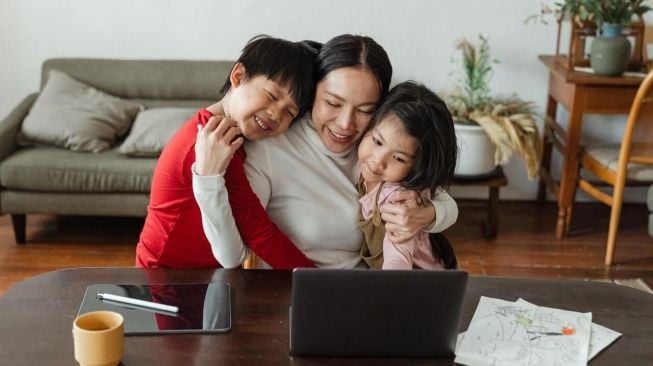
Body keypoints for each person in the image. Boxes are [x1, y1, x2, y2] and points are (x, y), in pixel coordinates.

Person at [194, 34, 459, 268]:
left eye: (365, 110)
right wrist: (207, 180)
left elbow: (440, 197)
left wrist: (428, 214)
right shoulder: (270, 149)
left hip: (364, 296)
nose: (345, 124)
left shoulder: (374, 149)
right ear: (312, 93)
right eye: (333, 103)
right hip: (294, 299)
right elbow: (232, 255)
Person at [135, 36, 317, 268]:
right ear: (238, 76)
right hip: (165, 280)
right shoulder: (212, 143)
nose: (275, 114)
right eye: (271, 96)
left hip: (196, 277)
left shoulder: (231, 134)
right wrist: (319, 284)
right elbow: (257, 234)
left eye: (289, 112)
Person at [356, 81, 458, 270]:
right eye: (377, 141)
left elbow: (398, 259)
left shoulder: (398, 197)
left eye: (398, 158)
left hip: (425, 283)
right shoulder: (361, 168)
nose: (378, 162)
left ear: (418, 166)